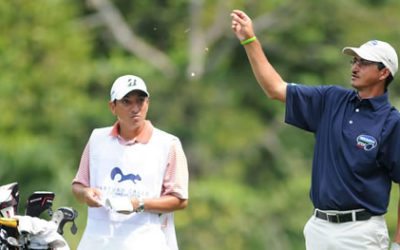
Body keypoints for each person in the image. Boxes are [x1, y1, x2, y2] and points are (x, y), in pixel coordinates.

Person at [231, 9, 400, 250]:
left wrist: (398, 243)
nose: (355, 67)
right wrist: (249, 39)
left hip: (361, 233)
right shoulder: (331, 99)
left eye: (364, 62)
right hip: (319, 228)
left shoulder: (392, 122)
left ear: (383, 72)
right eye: (354, 60)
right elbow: (275, 89)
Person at [71, 75, 189, 250]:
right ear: (113, 106)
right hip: (96, 243)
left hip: (145, 243)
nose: (135, 108)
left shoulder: (167, 144)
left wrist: (138, 204)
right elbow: (78, 187)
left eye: (140, 101)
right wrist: (86, 193)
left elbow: (179, 199)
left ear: (148, 103)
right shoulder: (97, 138)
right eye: (126, 102)